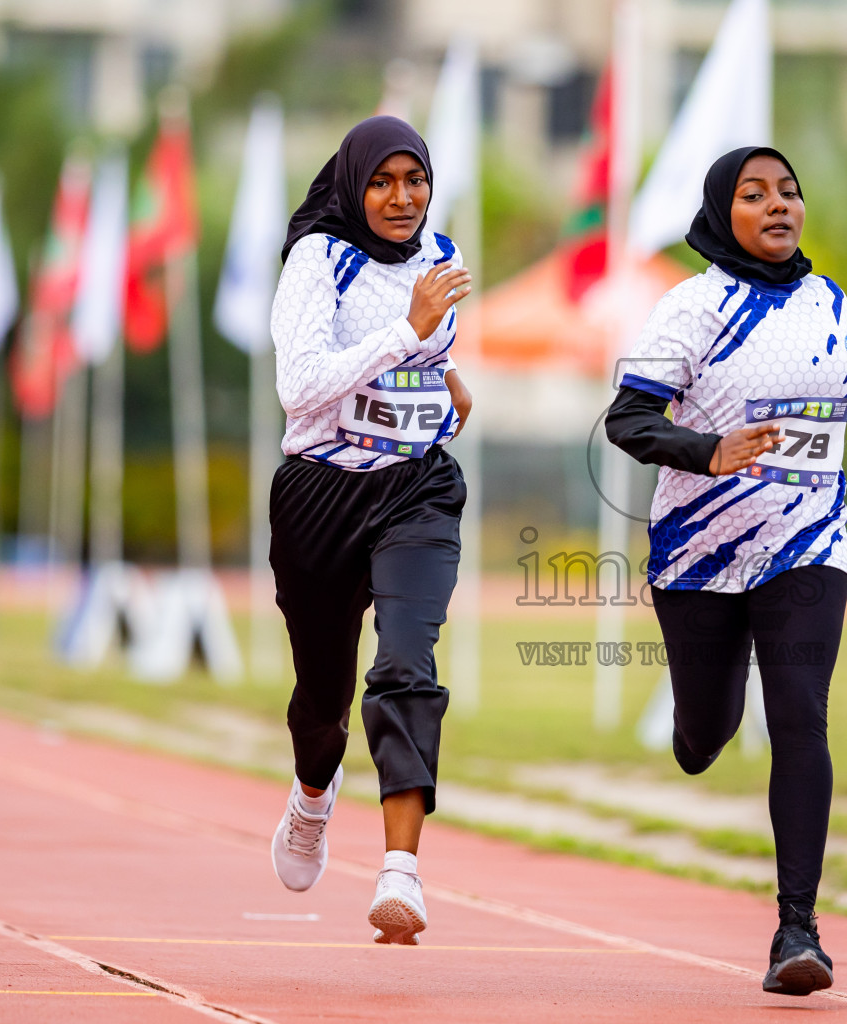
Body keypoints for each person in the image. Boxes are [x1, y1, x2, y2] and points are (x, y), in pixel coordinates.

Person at [605, 146, 847, 996]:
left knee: (800, 716)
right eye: (755, 195)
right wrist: (708, 452)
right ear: (722, 213)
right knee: (706, 737)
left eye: (790, 190)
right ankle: (694, 725)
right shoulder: (693, 306)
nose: (779, 205)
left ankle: (797, 930)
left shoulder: (828, 300)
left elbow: (831, 390)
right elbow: (627, 420)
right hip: (700, 556)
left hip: (807, 543)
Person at [266, 115, 473, 946]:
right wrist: (410, 334)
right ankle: (314, 794)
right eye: (383, 182)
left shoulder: (443, 255)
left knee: (405, 666)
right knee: (324, 695)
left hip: (417, 491)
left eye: (414, 179)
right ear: (355, 186)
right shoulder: (320, 259)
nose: (402, 198)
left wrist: (446, 376)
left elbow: (427, 349)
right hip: (320, 497)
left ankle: (401, 870)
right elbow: (300, 387)